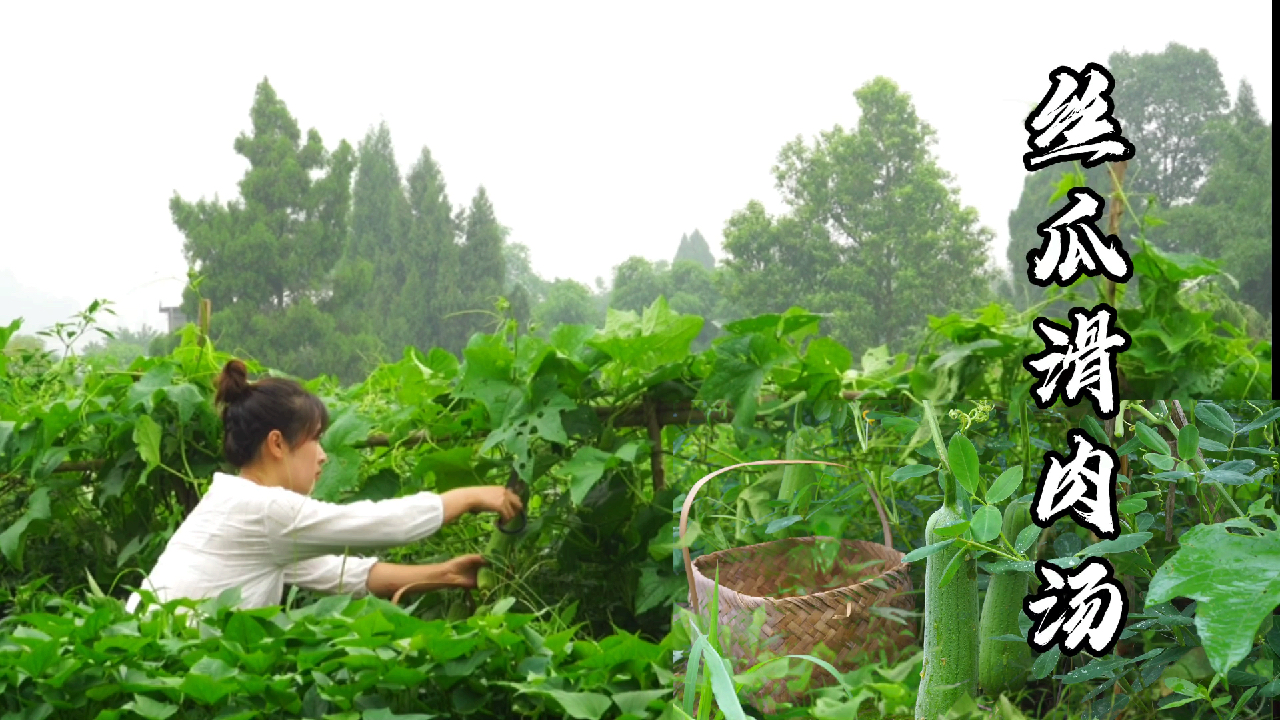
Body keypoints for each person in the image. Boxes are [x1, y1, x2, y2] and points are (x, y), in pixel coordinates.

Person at [125, 358, 523, 614]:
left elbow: (341, 574)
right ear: (277, 443)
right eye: (314, 439)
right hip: (168, 669)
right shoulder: (264, 511)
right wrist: (469, 496)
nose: (323, 455)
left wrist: (446, 574)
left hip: (152, 660)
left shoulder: (240, 506)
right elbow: (374, 524)